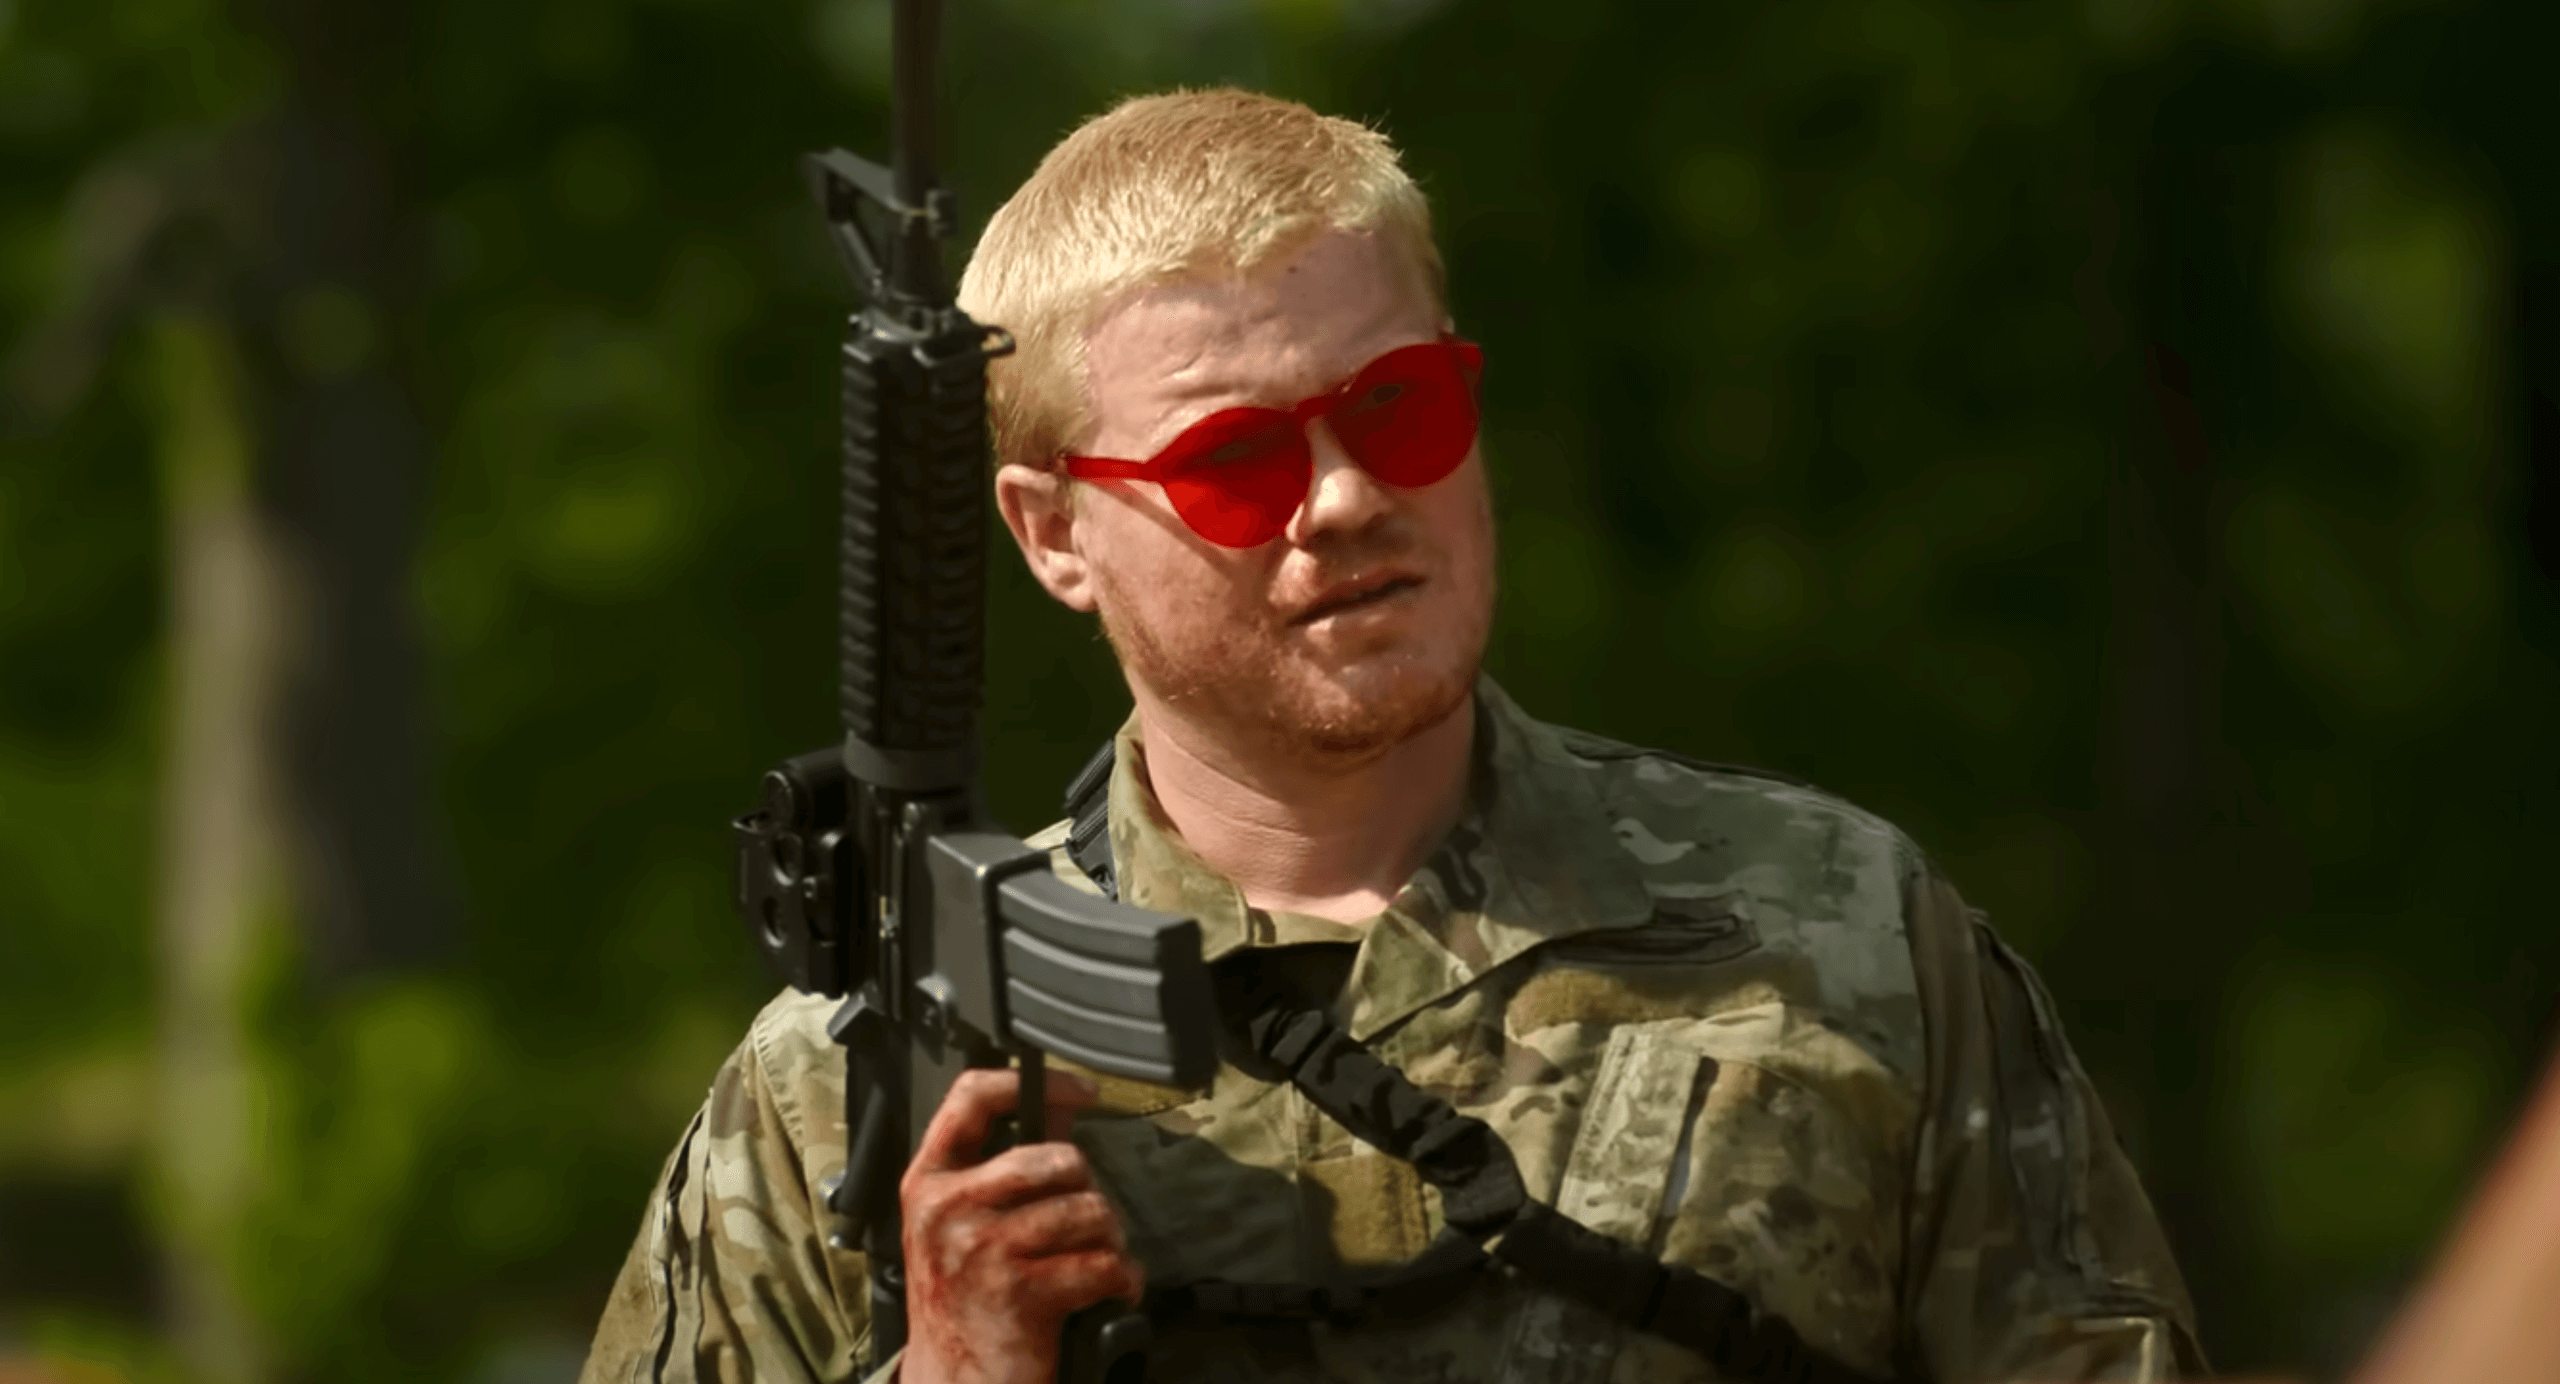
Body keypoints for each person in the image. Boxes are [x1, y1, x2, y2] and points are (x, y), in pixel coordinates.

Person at [579, 89, 2204, 1384]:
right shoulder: (851, 1097)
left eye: (1401, 406)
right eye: (1234, 461)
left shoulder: (1837, 940)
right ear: (1052, 532)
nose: (1348, 497)